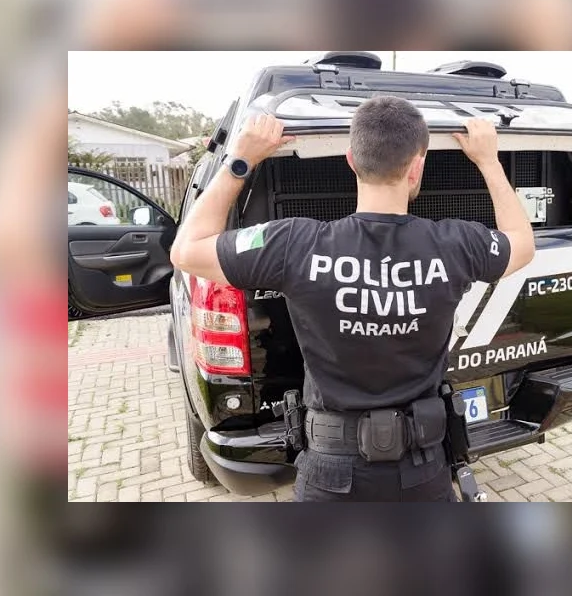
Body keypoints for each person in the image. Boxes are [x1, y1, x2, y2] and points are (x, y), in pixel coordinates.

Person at [170, 97, 534, 501]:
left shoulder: (294, 243)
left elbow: (185, 251)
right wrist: (488, 161)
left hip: (331, 476)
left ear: (351, 161)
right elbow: (522, 243)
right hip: (423, 472)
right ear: (417, 167)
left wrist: (241, 160)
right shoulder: (455, 244)